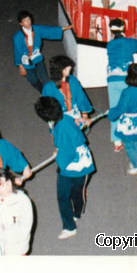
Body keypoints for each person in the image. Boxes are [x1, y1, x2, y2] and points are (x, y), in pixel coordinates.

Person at [34, 96, 95, 240]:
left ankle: (69, 227)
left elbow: (67, 152)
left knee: (62, 196)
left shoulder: (60, 128)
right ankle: (77, 213)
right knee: (77, 190)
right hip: (84, 162)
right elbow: (73, 129)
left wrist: (58, 157)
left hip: (71, 165)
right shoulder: (66, 117)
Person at [13, 10, 73, 93]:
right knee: (33, 80)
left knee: (45, 79)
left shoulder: (37, 29)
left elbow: (49, 30)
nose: (28, 22)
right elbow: (17, 52)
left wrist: (66, 28)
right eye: (25, 21)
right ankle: (42, 91)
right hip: (26, 62)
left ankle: (50, 93)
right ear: (21, 23)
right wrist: (21, 67)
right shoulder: (17, 37)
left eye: (29, 19)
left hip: (37, 58)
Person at [107, 63, 137, 174]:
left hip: (128, 122)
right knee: (134, 140)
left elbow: (121, 108)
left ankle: (136, 166)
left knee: (128, 145)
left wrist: (111, 114)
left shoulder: (127, 92)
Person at [105, 18, 137, 152]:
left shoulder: (109, 44)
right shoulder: (130, 42)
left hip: (112, 79)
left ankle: (116, 141)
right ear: (123, 28)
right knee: (130, 109)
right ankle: (131, 137)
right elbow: (136, 45)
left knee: (115, 108)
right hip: (126, 79)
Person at [42, 55, 93, 124]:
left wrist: (84, 114)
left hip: (75, 113)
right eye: (67, 67)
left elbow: (80, 96)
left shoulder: (73, 80)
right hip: (60, 119)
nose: (70, 68)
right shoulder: (48, 88)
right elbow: (49, 109)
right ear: (60, 70)